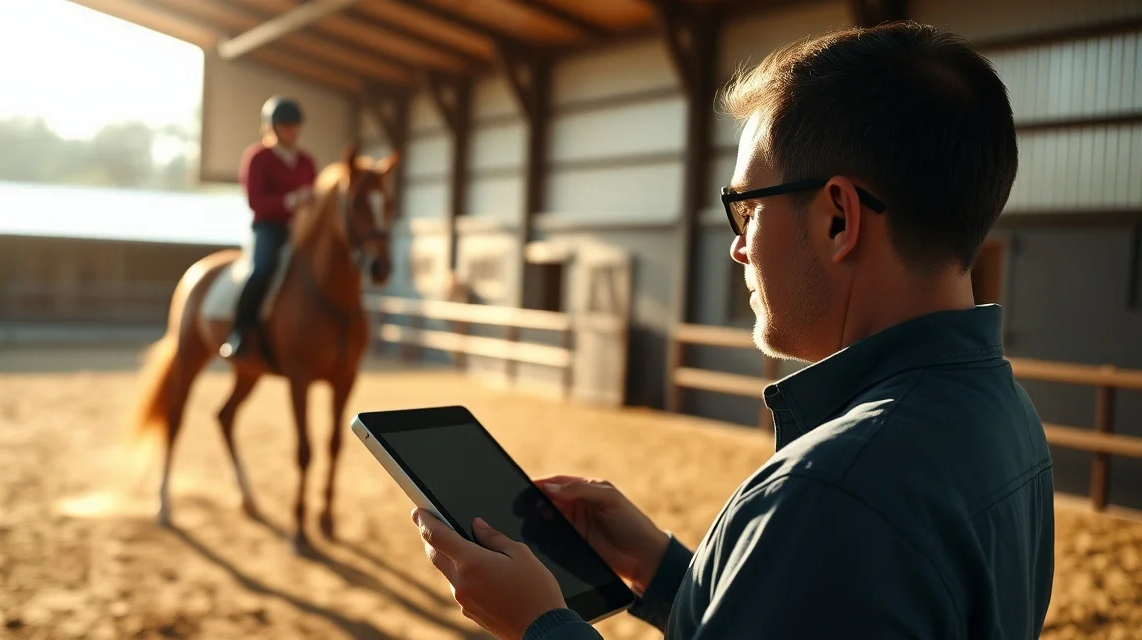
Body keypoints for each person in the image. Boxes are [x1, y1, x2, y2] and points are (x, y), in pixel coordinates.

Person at [411, 21, 1055, 640]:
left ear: (839, 219)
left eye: (746, 208)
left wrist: (540, 626)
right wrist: (662, 571)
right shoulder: (1006, 419)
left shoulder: (828, 492)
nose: (739, 248)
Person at [220, 95, 317, 361]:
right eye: (286, 126)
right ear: (271, 128)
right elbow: (256, 201)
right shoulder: (258, 157)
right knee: (262, 270)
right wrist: (290, 200)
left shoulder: (307, 161)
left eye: (295, 125)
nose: (292, 131)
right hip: (269, 228)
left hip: (302, 229)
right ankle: (240, 331)